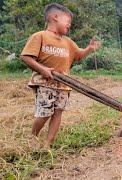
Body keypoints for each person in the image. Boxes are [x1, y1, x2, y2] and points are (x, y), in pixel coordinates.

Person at [20, 3, 101, 149]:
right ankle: (33, 136)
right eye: (68, 21)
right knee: (44, 113)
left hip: (64, 85)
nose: (70, 24)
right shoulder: (40, 36)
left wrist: (89, 49)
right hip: (45, 83)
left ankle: (48, 144)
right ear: (55, 17)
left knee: (58, 113)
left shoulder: (68, 42)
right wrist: (43, 69)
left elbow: (78, 55)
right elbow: (26, 57)